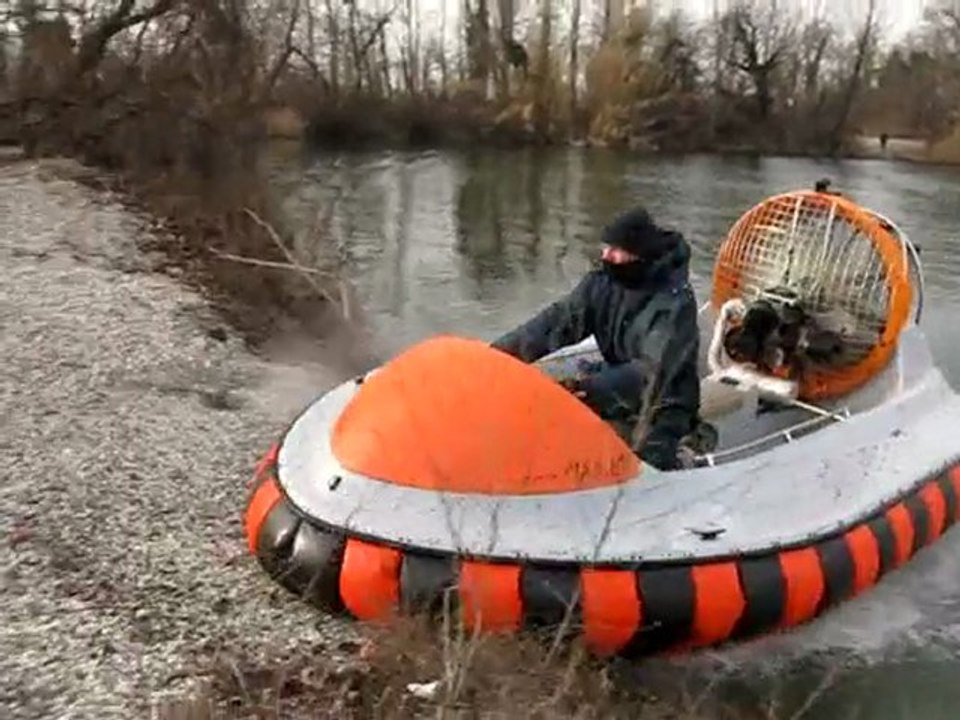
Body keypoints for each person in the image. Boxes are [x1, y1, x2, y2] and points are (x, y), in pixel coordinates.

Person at [491, 207, 701, 471]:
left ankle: (682, 453)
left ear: (638, 252)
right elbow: (554, 323)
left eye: (615, 250)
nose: (606, 256)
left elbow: (654, 373)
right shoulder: (601, 285)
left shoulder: (673, 304)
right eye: (605, 248)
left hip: (666, 401)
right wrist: (495, 357)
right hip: (617, 380)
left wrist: (590, 390)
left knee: (649, 448)